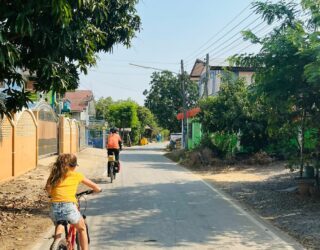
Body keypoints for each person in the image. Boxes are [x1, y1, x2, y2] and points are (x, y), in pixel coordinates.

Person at [45, 154, 102, 250]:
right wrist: (97, 190)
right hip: (68, 207)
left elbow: (48, 188)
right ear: (74, 166)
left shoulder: (54, 175)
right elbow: (96, 187)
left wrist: (53, 194)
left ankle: (56, 242)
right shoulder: (76, 175)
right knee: (82, 228)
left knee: (60, 222)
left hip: (53, 208)